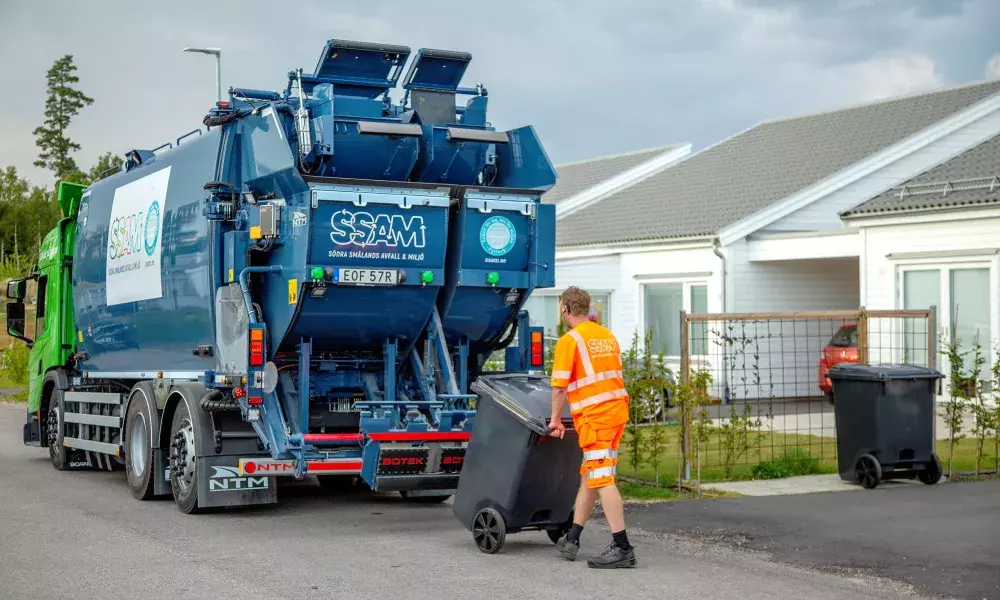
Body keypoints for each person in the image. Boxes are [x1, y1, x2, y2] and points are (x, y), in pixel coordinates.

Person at [547, 286, 637, 569]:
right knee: (592, 474)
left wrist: (554, 420)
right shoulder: (606, 336)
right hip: (616, 413)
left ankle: (623, 547)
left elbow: (560, 387)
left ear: (566, 310)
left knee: (602, 480)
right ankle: (572, 538)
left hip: (595, 418)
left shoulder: (569, 340)